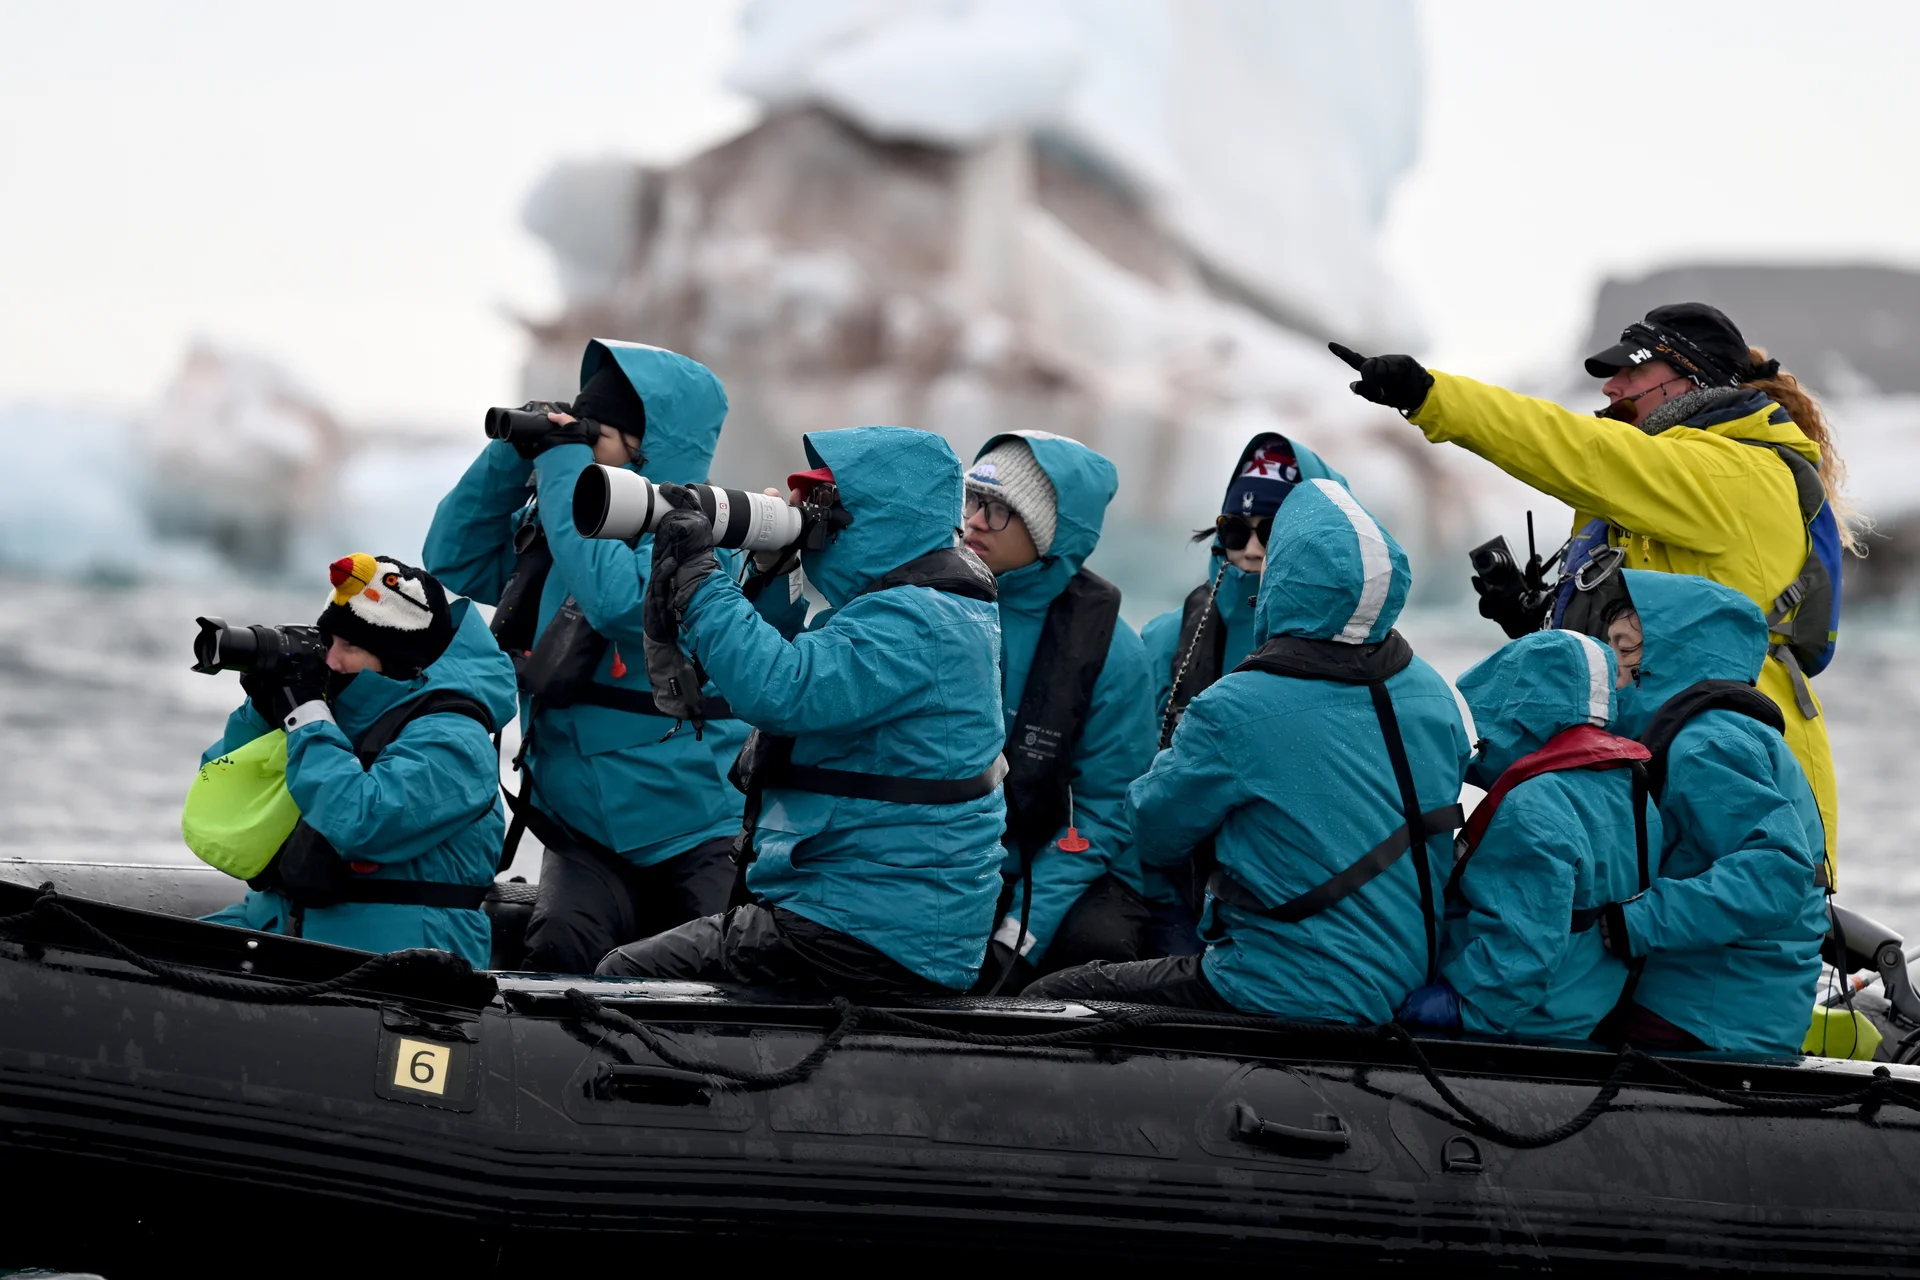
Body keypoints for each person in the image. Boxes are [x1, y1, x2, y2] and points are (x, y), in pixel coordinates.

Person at [1331, 303, 1853, 881]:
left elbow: (1580, 449)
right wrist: (1538, 623)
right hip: (1680, 764)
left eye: (1633, 370)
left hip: (1750, 780)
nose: (1611, 386)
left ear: (1692, 379)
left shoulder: (1733, 473)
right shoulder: (1661, 486)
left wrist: (1431, 395)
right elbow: (1645, 635)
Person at [1028, 479, 1471, 1021]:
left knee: (1050, 998)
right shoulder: (1433, 693)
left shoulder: (1236, 706)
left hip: (1278, 986)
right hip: (1404, 982)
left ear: (1285, 580)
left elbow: (1154, 831)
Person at [597, 426, 1008, 996]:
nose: (812, 516)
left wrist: (700, 574)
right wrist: (771, 571)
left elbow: (779, 688)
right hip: (876, 912)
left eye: (826, 503)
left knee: (622, 978)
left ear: (878, 518)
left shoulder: (920, 623)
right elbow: (773, 662)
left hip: (872, 928)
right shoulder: (926, 607)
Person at [424, 340, 747, 973]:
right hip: (586, 834)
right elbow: (452, 559)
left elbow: (620, 604)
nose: (580, 445)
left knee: (724, 973)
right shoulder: (557, 535)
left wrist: (566, 469)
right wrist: (510, 457)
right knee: (558, 955)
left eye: (595, 433)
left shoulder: (709, 539)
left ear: (649, 448)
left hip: (699, 830)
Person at [200, 556, 517, 969]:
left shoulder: (455, 740)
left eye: (350, 647)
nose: (331, 661)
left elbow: (361, 822)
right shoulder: (337, 715)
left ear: (399, 658)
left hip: (395, 962)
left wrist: (307, 716)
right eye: (328, 642)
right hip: (282, 930)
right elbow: (227, 795)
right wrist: (262, 710)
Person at [1574, 570, 1827, 1055]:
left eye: (1624, 651)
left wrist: (1634, 923)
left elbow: (1777, 873)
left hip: (1712, 1007)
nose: (1612, 672)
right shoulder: (1713, 731)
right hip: (1723, 993)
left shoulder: (1706, 744)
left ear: (1673, 658)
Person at [1135, 431, 1347, 956]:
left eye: (1271, 531)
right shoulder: (1165, 639)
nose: (1251, 550)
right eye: (1235, 530)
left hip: (1302, 905)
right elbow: (1130, 778)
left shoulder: (1359, 655)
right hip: (1175, 887)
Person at [959, 431, 1155, 992]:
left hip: (1059, 864)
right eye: (972, 499)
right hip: (943, 853)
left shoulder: (1112, 653)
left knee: (1095, 947)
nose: (975, 521)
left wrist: (1019, 932)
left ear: (1051, 532)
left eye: (1000, 510)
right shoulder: (931, 597)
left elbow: (1103, 809)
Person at [1396, 630, 1663, 1040]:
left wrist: (1465, 1004)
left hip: (1520, 1021)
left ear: (1520, 710)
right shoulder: (1630, 787)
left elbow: (1525, 941)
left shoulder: (1534, 805)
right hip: (1583, 1008)